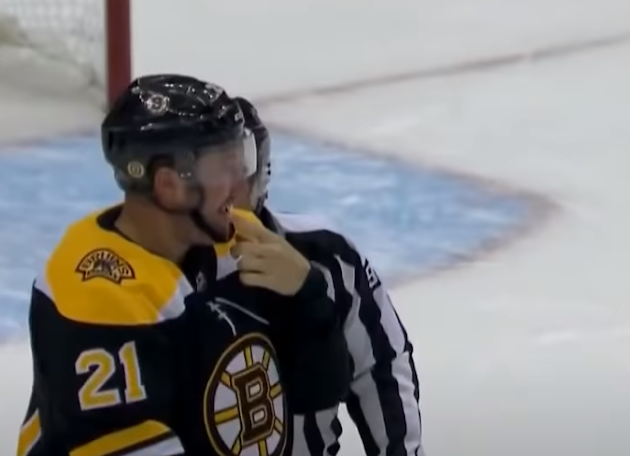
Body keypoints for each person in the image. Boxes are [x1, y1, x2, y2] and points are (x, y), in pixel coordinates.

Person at [16, 74, 350, 456]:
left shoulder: (231, 244)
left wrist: (308, 299)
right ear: (170, 185)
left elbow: (317, 390)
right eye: (224, 166)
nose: (241, 183)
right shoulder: (95, 293)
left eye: (241, 159)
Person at [219, 97, 424, 456]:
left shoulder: (327, 256)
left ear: (260, 176)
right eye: (209, 170)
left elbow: (381, 368)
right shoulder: (150, 272)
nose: (224, 188)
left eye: (238, 168)